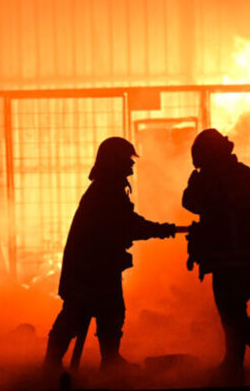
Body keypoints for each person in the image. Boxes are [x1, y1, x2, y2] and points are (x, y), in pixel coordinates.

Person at [43, 137, 176, 372]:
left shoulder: (107, 187)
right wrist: (160, 229)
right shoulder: (107, 190)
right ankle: (63, 363)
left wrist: (159, 229)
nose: (131, 165)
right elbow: (126, 225)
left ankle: (98, 361)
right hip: (92, 268)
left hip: (96, 266)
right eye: (127, 159)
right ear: (115, 160)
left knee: (104, 312)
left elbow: (123, 224)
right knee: (82, 313)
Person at [182, 129, 250, 382]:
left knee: (232, 313)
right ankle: (234, 364)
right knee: (233, 311)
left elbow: (190, 203)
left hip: (229, 260)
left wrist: (193, 182)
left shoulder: (213, 178)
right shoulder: (248, 176)